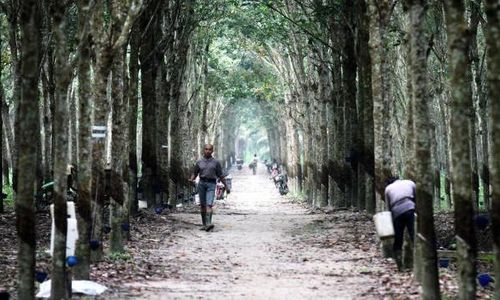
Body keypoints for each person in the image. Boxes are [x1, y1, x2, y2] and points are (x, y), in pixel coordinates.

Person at [189, 144, 230, 232]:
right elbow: (195, 173)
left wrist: (226, 186)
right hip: (202, 183)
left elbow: (221, 175)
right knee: (202, 205)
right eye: (206, 149)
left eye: (210, 149)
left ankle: (208, 223)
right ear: (204, 150)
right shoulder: (199, 162)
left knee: (209, 204)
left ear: (212, 151)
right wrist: (191, 179)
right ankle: (204, 224)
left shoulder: (216, 162)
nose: (208, 151)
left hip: (211, 184)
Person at [384, 176, 416, 270]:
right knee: (414, 236)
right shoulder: (410, 182)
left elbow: (388, 207)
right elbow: (416, 198)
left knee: (398, 239)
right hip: (410, 209)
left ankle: (399, 265)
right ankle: (418, 261)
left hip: (397, 213)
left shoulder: (388, 189)